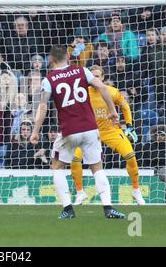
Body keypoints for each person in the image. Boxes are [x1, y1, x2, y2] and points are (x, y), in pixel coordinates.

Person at [30, 45, 125, 219]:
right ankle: (108, 208)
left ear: (50, 60)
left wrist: (35, 131)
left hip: (69, 131)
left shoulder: (49, 79)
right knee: (97, 167)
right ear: (67, 57)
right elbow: (103, 88)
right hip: (90, 128)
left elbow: (43, 106)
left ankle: (68, 209)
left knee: (58, 167)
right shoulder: (82, 71)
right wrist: (112, 111)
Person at [71, 65, 145, 205]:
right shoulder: (82, 93)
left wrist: (129, 124)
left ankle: (136, 190)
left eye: (97, 76)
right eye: (92, 76)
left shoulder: (111, 91)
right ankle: (80, 192)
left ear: (103, 78)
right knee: (74, 159)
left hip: (111, 131)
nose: (94, 79)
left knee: (130, 156)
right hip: (89, 132)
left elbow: (125, 106)